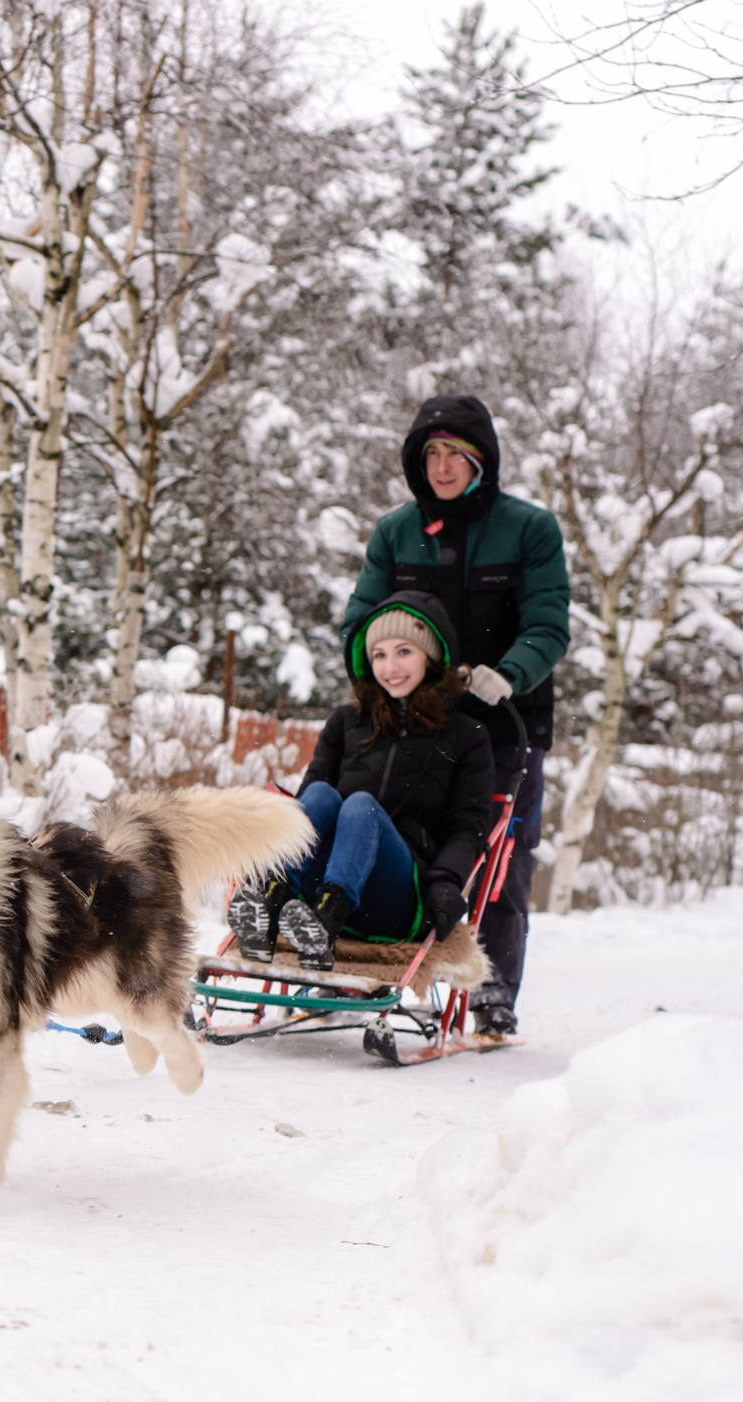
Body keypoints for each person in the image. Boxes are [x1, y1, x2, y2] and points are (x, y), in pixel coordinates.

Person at [343, 395, 566, 1035]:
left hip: (502, 726)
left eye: (455, 454)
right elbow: (359, 621)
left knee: (499, 856)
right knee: (399, 836)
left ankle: (493, 988)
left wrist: (511, 673)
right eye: (430, 453)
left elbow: (548, 624)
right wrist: (376, 676)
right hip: (413, 724)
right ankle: (373, 958)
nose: (442, 467)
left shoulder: (528, 529)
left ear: (480, 461)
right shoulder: (395, 531)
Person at [231, 594, 497, 973]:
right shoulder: (346, 722)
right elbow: (311, 808)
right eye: (379, 655)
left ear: (432, 656)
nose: (390, 667)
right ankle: (270, 901)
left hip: (398, 899)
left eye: (404, 651)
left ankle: (327, 921)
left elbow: (466, 825)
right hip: (316, 887)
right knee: (319, 794)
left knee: (360, 805)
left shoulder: (466, 736)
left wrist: (446, 882)